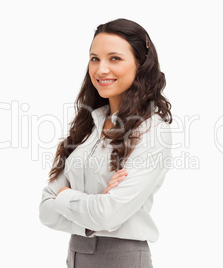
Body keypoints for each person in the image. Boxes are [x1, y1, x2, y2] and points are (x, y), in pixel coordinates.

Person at [39, 18, 173, 268]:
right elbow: (45, 210)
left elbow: (108, 214)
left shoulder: (152, 130)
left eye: (114, 58)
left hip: (122, 258)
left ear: (141, 64)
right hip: (75, 255)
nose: (101, 70)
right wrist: (94, 205)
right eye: (94, 58)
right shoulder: (90, 124)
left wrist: (66, 196)